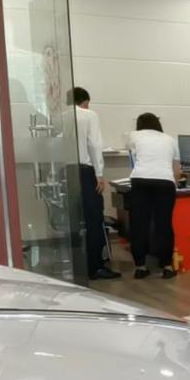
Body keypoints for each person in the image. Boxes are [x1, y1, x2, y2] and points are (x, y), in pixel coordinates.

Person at [73, 86, 120, 280]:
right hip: (85, 172)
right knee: (94, 219)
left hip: (66, 171)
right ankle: (95, 266)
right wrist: (99, 174)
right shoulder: (88, 115)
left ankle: (77, 266)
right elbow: (94, 144)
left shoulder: (60, 116)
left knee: (73, 219)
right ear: (85, 101)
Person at [127, 112, 181, 279]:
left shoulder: (133, 135)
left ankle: (141, 266)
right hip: (165, 182)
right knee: (164, 224)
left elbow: (133, 157)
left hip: (140, 181)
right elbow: (177, 170)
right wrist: (173, 183)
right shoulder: (170, 139)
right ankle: (167, 266)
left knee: (139, 224)